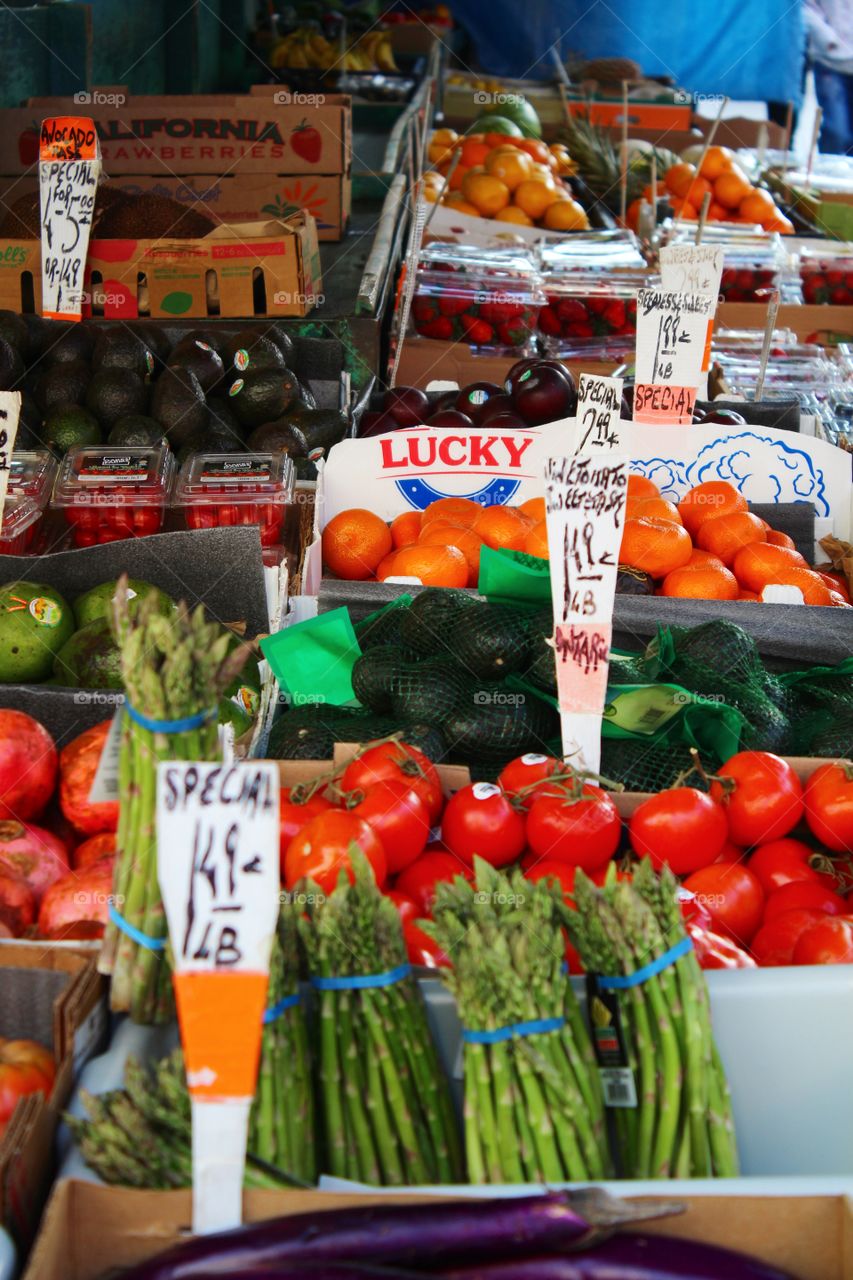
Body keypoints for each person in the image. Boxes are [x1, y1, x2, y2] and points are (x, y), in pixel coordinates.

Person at [806, 0, 853, 154]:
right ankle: (830, 173)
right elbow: (806, 7)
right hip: (830, 62)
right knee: (836, 132)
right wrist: (828, 40)